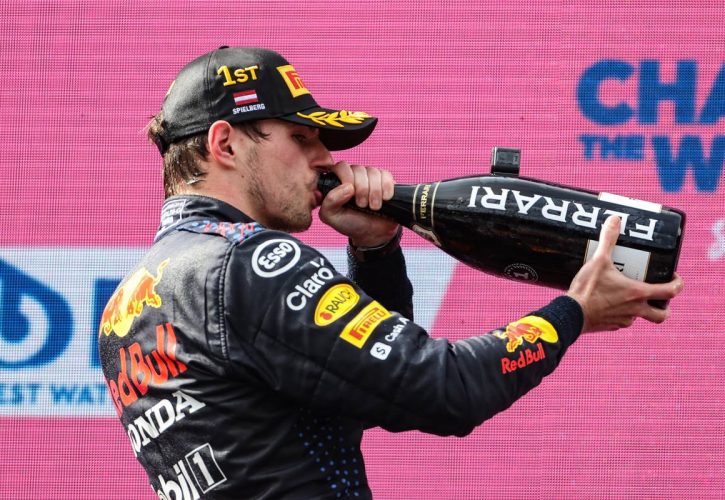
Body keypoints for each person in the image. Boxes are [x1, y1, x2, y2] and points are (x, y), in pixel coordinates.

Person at [97, 46, 683, 499]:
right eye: (301, 138)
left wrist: (375, 249)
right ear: (224, 144)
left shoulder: (128, 305)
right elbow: (445, 389)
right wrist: (573, 312)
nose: (326, 159)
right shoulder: (246, 262)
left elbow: (361, 390)